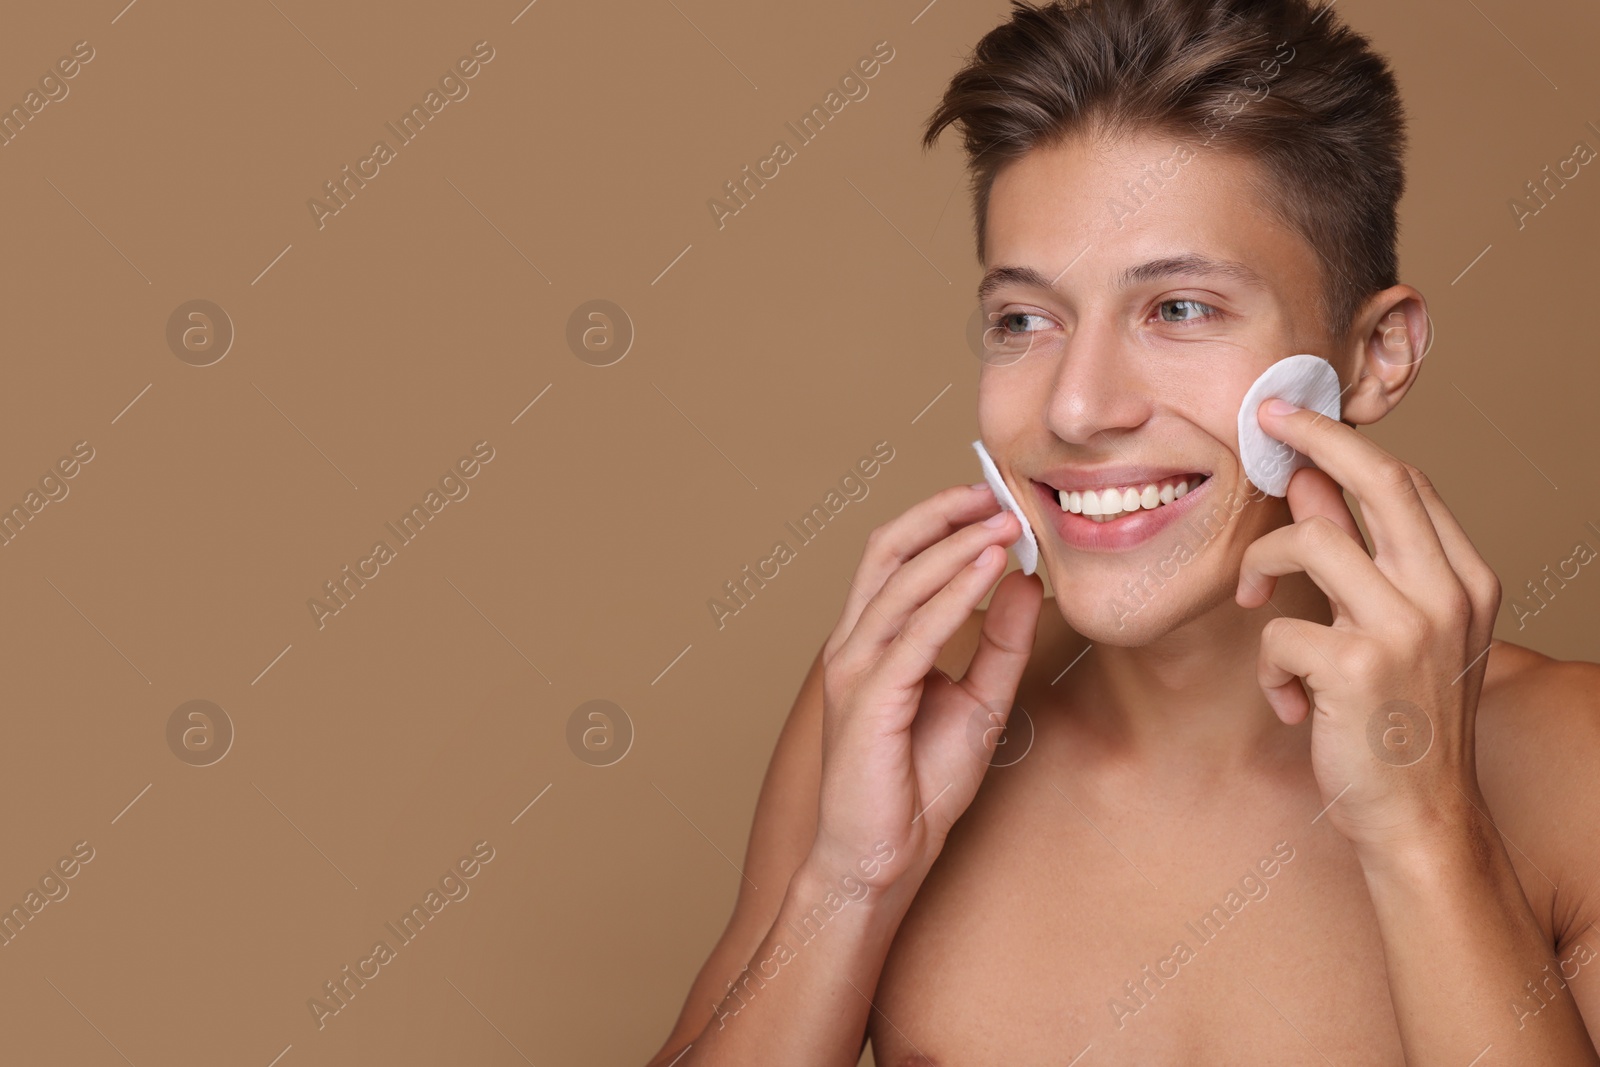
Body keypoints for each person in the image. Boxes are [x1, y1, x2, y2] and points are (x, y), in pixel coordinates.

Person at [647, 0, 1600, 1062]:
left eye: (1178, 308)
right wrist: (848, 883)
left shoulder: (1573, 765)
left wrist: (1431, 835)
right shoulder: (904, 710)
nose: (1074, 406)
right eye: (1024, 320)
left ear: (1374, 354)